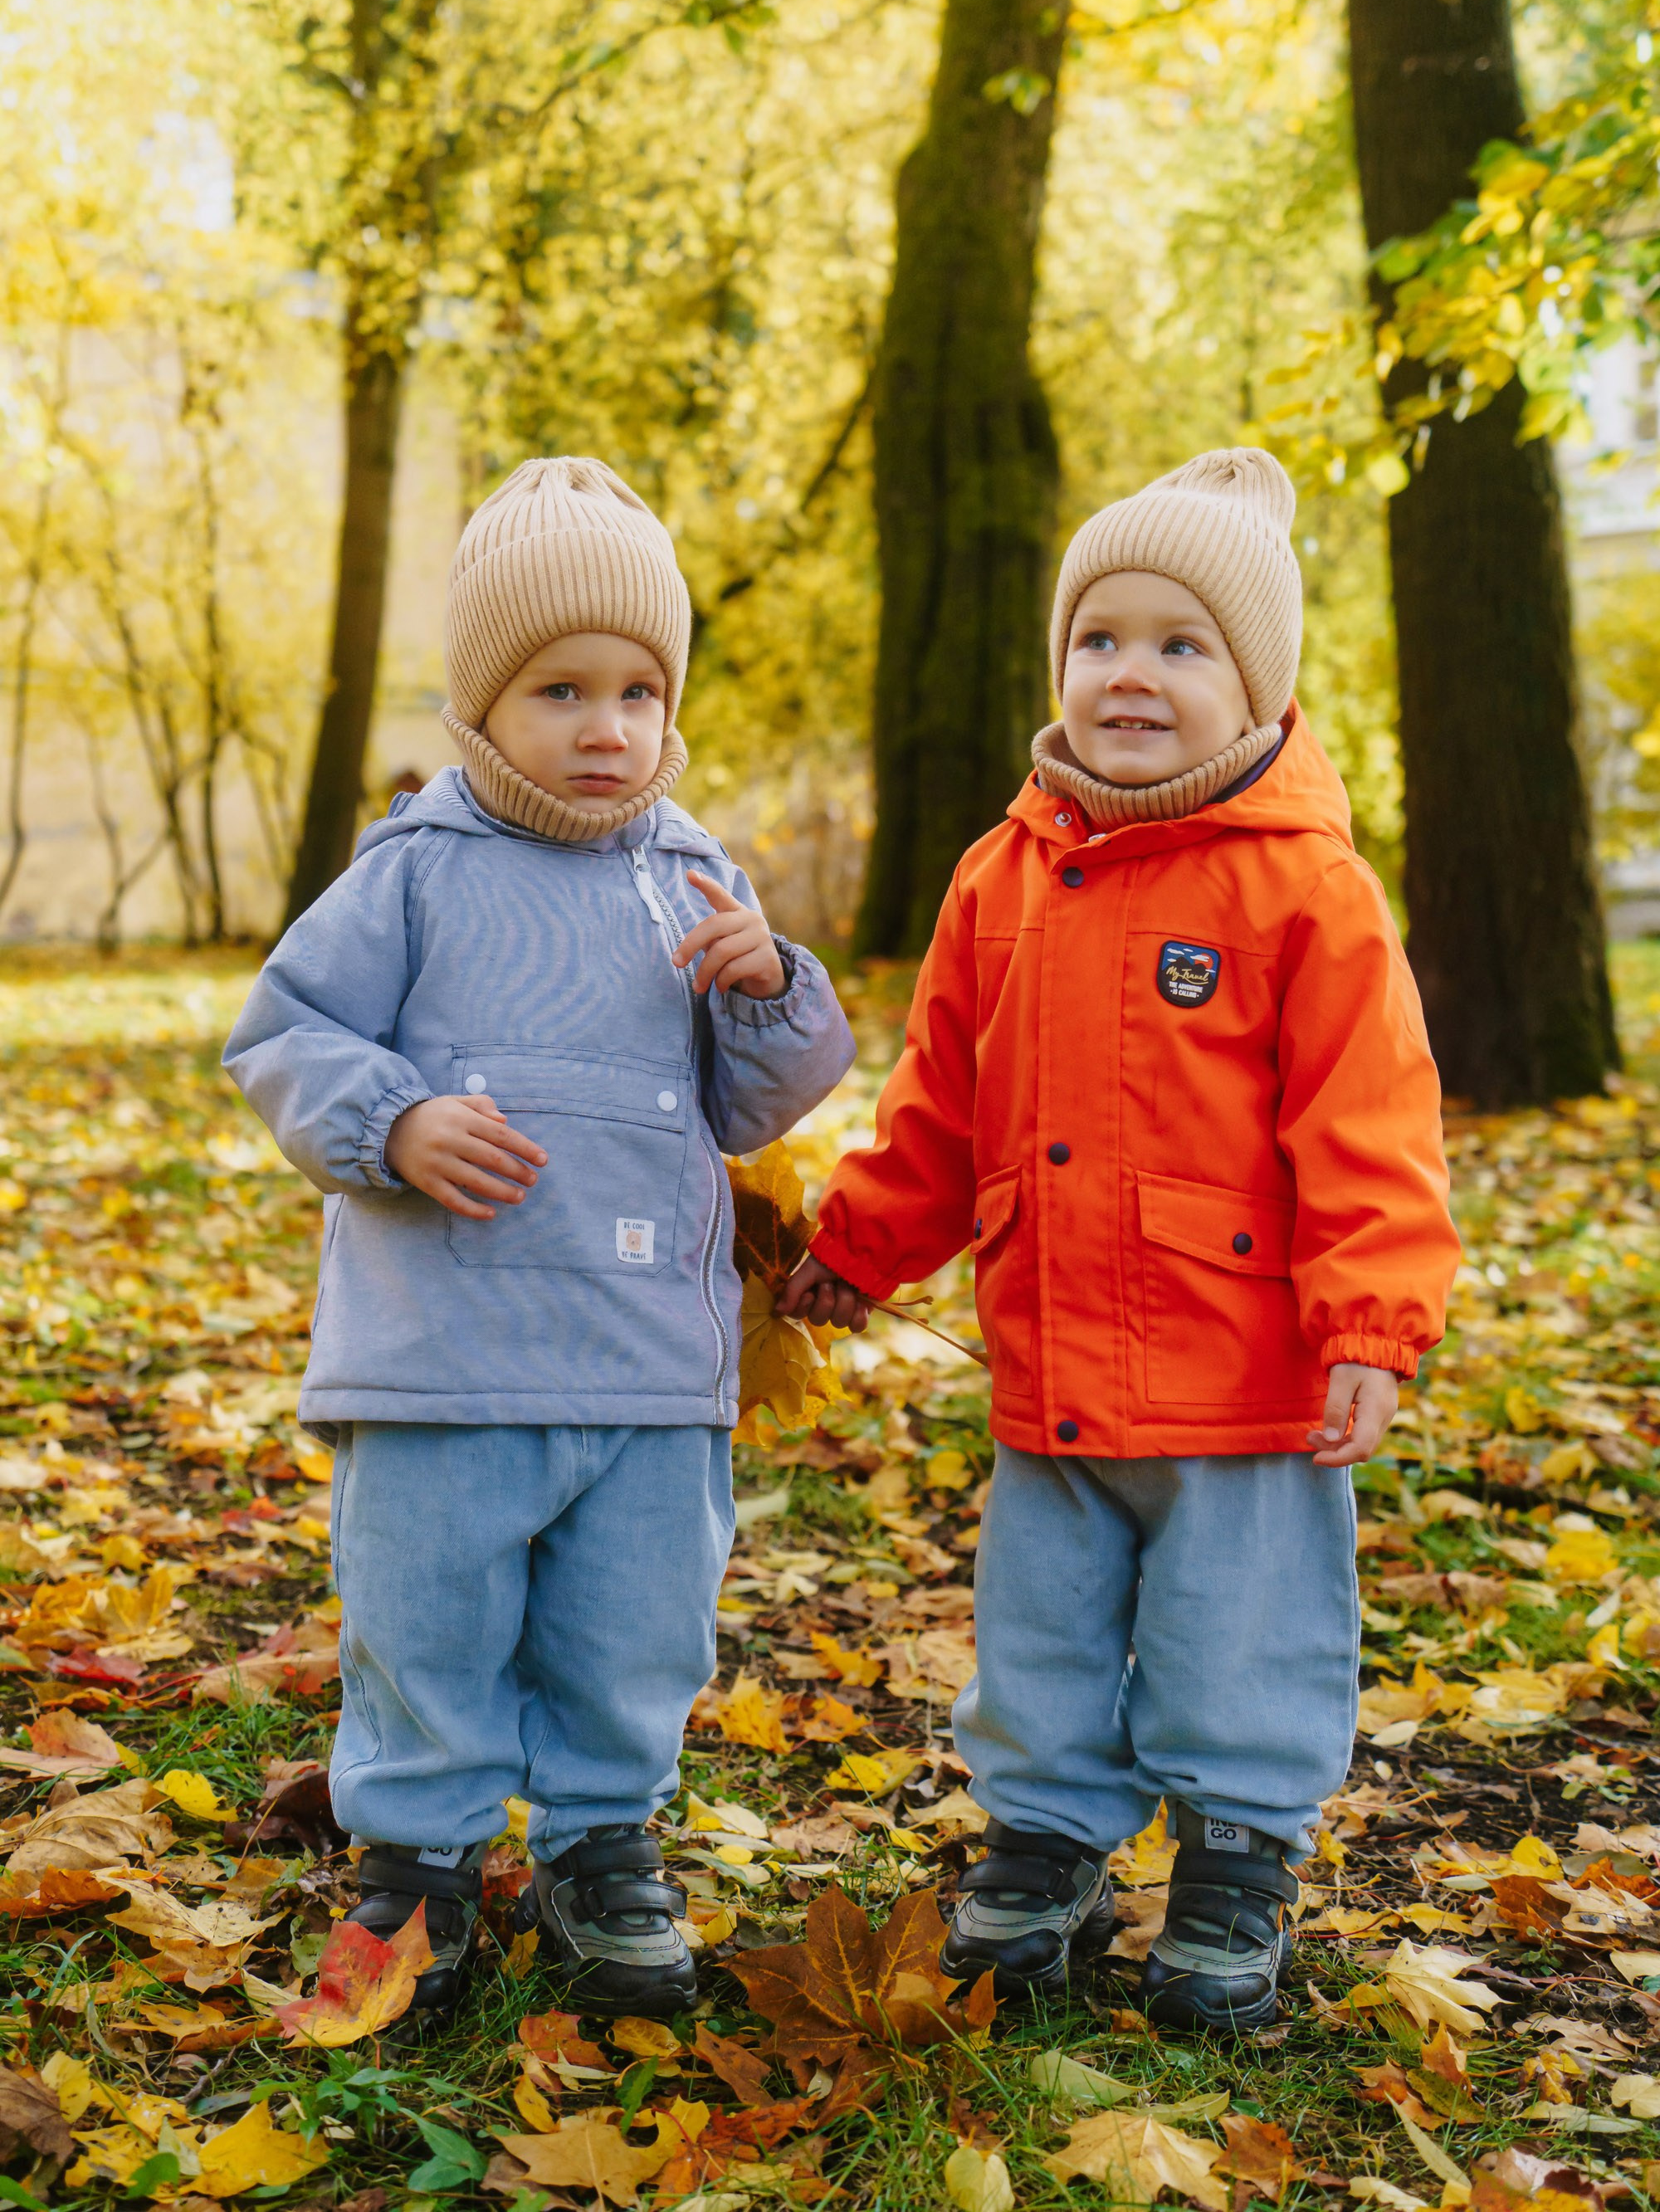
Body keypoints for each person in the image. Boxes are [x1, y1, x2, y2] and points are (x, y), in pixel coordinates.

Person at [780, 447, 1460, 2035]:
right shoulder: (1002, 873)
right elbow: (941, 1096)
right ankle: (1045, 1842)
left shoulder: (1308, 891)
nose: (1130, 675)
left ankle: (1234, 1861)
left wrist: (1371, 1326)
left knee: (1244, 1632)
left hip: (1247, 1378)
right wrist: (867, 1244)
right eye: (1100, 640)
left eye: (1179, 646)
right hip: (1053, 1364)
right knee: (1043, 1632)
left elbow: (1371, 1125)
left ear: (1257, 684)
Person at [227, 457, 855, 2021]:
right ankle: (413, 1864)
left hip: (646, 1362)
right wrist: (393, 1120)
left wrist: (769, 982)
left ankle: (602, 1842)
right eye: (562, 689)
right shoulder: (418, 873)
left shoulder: (692, 877)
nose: (607, 728)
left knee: (635, 1623)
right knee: (428, 1613)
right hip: (447, 1356)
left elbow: (755, 1096)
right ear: (481, 705)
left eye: (639, 691)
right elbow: (283, 1034)